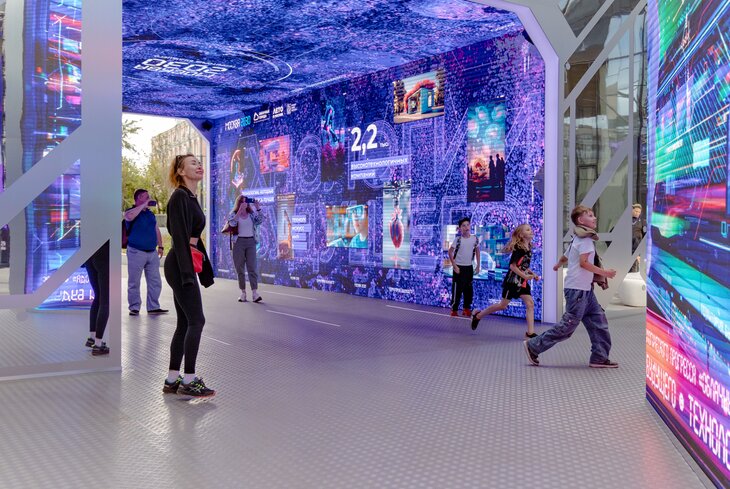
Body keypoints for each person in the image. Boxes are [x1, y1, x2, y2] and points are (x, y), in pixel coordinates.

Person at [523, 205, 618, 368]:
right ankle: (533, 346)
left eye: (593, 215)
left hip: (585, 290)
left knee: (599, 322)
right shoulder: (586, 240)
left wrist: (557, 265)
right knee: (567, 327)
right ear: (581, 220)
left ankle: (599, 357)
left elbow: (565, 257)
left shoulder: (578, 238)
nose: (594, 218)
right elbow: (584, 263)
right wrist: (605, 272)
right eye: (590, 215)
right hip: (578, 291)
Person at [162, 154, 216, 398]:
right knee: (197, 321)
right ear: (181, 172)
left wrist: (202, 271)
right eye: (192, 163)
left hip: (184, 262)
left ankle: (172, 379)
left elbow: (193, 239)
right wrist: (187, 274)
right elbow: (180, 237)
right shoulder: (179, 197)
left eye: (199, 162)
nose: (199, 165)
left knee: (185, 323)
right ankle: (189, 380)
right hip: (179, 264)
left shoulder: (191, 198)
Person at [470, 224, 540, 338]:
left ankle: (530, 333)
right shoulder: (519, 249)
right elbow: (513, 266)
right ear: (521, 235)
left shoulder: (529, 248)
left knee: (530, 304)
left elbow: (523, 266)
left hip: (522, 282)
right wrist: (525, 276)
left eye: (531, 229)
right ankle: (478, 315)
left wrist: (533, 274)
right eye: (528, 230)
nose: (531, 231)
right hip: (512, 282)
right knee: (503, 305)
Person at [124, 188, 168, 316]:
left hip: (152, 252)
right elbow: (129, 217)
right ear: (139, 198)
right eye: (146, 197)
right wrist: (143, 206)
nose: (149, 199)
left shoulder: (150, 214)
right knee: (134, 282)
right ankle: (134, 307)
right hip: (136, 252)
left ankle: (153, 307)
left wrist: (161, 246)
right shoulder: (130, 212)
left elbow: (156, 230)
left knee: (155, 281)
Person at [227, 194, 264, 303]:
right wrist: (239, 211)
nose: (245, 203)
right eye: (242, 201)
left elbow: (260, 221)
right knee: (240, 268)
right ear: (239, 203)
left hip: (251, 242)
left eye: (246, 201)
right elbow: (232, 223)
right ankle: (243, 292)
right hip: (238, 242)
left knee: (252, 267)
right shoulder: (233, 214)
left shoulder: (251, 214)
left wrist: (258, 208)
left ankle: (255, 293)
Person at [448, 217, 480, 317]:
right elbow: (450, 252)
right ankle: (454, 310)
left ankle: (466, 308)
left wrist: (478, 265)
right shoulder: (458, 240)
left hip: (469, 268)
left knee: (468, 290)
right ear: (460, 228)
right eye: (463, 226)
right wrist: (454, 266)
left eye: (467, 225)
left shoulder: (474, 239)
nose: (466, 227)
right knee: (457, 290)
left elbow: (477, 251)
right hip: (459, 268)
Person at [84, 241, 110, 356]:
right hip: (104, 253)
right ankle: (98, 345)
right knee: (105, 301)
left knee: (98, 297)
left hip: (89, 255)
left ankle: (92, 338)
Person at [630, 203, 646, 273]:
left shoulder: (642, 221)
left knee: (635, 262)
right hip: (628, 244)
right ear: (632, 210)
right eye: (636, 211)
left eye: (639, 212)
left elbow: (645, 232)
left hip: (637, 244)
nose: (637, 213)